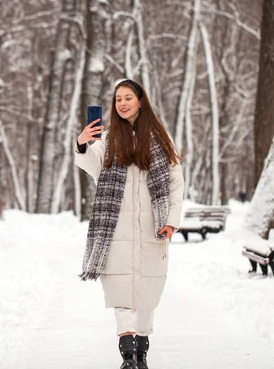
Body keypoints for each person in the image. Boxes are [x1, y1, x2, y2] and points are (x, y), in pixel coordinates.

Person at [75, 79, 184, 369]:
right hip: (115, 227)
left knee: (147, 292)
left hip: (153, 226)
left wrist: (171, 221)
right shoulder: (108, 139)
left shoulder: (162, 140)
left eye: (127, 98)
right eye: (117, 99)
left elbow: (175, 183)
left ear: (140, 100)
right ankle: (127, 354)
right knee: (120, 290)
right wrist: (83, 143)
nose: (122, 104)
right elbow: (92, 165)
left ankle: (142, 352)